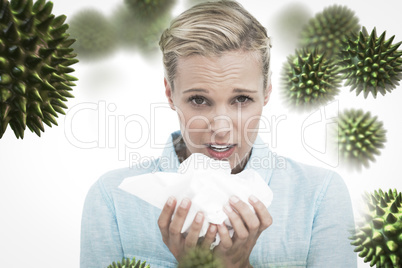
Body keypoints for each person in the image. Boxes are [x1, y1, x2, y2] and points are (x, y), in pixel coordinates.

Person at [80, 1, 357, 267]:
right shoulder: (112, 200)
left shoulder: (320, 196)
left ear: (267, 92)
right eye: (199, 100)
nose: (221, 128)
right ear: (170, 93)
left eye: (241, 99)